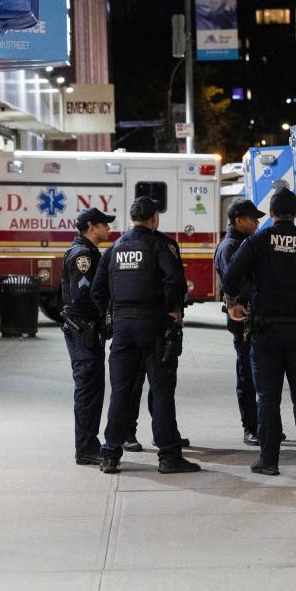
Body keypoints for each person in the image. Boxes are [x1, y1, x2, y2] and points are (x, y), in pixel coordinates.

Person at [222, 188, 296, 476]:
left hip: (266, 332)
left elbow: (231, 277)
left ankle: (269, 460)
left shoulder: (256, 241)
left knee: (267, 397)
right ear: (295, 214)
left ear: (272, 213)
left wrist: (233, 305)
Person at [91, 196, 201, 474]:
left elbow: (97, 290)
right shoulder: (162, 245)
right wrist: (170, 310)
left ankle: (110, 455)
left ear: (131, 218)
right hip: (154, 327)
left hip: (123, 330)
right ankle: (168, 456)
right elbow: (175, 282)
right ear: (154, 219)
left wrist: (112, 317)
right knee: (162, 392)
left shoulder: (115, 248)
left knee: (121, 393)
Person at [61, 207, 115, 466]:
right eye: (105, 225)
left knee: (91, 388)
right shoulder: (83, 255)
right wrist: (102, 318)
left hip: (85, 330)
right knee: (88, 389)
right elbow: (84, 296)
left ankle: (88, 445)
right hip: (84, 330)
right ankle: (85, 448)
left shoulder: (85, 251)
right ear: (92, 227)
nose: (108, 229)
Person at [214, 198, 265, 445]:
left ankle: (260, 423)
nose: (257, 222)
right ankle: (251, 427)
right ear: (238, 221)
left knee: (258, 373)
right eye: (252, 218)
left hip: (251, 317)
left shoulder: (242, 243)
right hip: (242, 318)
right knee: (247, 374)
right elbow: (236, 283)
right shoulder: (231, 246)